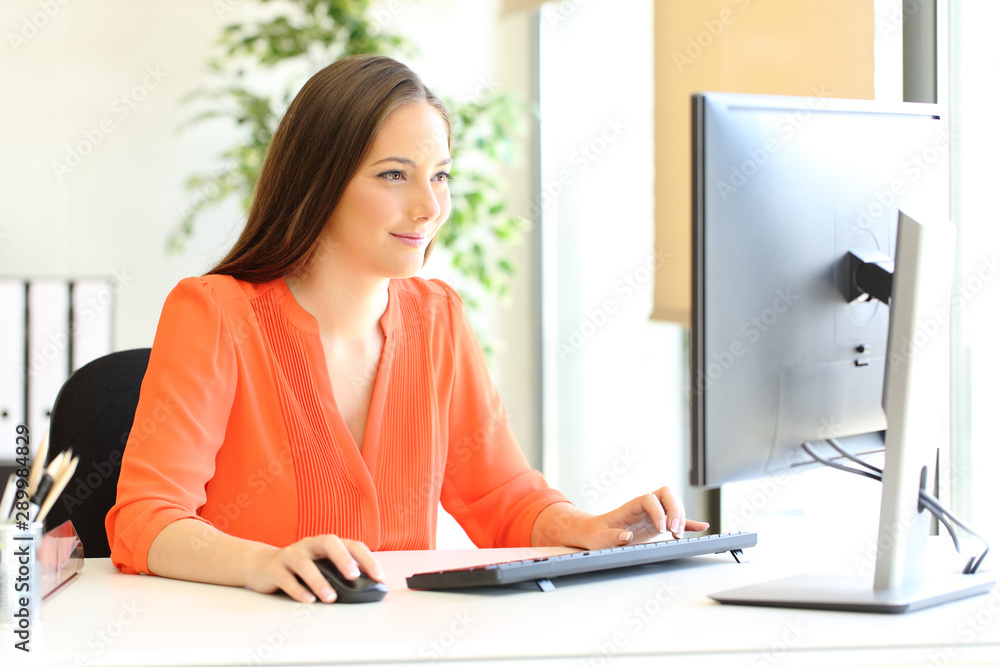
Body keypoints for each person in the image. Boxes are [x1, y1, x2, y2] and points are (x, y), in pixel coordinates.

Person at [106, 54, 708, 604]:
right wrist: (264, 563)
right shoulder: (214, 313)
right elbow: (146, 516)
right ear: (319, 183)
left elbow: (500, 497)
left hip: (399, 642)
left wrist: (590, 527)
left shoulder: (437, 317)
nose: (429, 207)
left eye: (440, 175)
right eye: (395, 175)